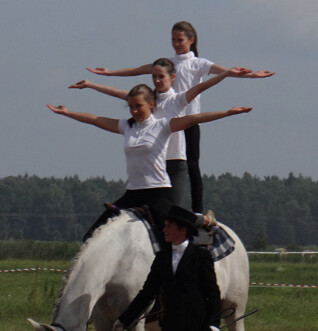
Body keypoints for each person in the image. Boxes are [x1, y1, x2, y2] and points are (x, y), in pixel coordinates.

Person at [87, 21, 274, 213]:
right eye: (173, 40)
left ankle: (197, 210)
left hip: (189, 119)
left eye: (180, 40)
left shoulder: (198, 63)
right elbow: (137, 70)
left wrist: (253, 76)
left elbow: (224, 73)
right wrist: (109, 73)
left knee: (190, 165)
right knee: (157, 159)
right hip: (164, 120)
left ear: (190, 40)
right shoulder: (167, 64)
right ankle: (144, 200)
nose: (176, 43)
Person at [47, 84, 252, 240]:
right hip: (132, 193)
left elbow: (195, 118)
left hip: (158, 191)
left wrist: (227, 112)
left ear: (151, 104)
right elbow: (95, 119)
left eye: (139, 106)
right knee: (91, 236)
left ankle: (205, 220)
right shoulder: (127, 126)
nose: (134, 111)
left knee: (169, 236)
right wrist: (67, 113)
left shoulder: (162, 125)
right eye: (131, 107)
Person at [70, 58, 250, 206]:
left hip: (175, 161)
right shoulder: (147, 99)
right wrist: (91, 85)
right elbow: (117, 93)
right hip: (152, 160)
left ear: (172, 77)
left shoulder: (177, 100)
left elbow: (201, 89)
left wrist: (226, 74)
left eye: (160, 76)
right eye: (153, 76)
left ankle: (197, 226)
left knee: (172, 213)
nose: (156, 80)